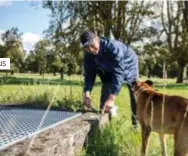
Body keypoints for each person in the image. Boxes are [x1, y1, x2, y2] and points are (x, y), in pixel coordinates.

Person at [80, 31, 139, 127]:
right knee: (106, 89)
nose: (91, 49)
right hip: (107, 68)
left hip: (128, 63)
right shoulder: (89, 54)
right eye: (87, 47)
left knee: (134, 92)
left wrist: (112, 97)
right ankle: (104, 125)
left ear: (97, 40)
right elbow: (89, 73)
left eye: (92, 45)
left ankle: (136, 124)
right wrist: (87, 93)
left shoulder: (113, 47)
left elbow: (118, 72)